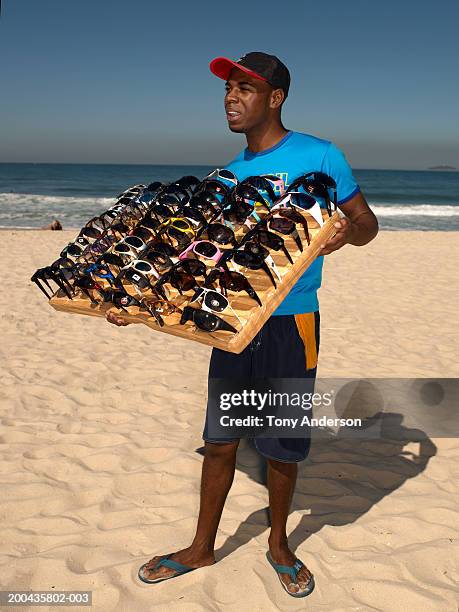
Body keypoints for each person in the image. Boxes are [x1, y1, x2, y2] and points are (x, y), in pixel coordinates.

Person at [107, 52, 379, 597]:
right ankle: (202, 546)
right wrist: (136, 305)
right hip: (230, 324)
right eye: (228, 89)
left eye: (245, 89)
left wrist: (345, 235)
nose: (231, 98)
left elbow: (366, 222)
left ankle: (279, 545)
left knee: (281, 445)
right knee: (221, 440)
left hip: (291, 323)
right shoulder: (227, 176)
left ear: (275, 98)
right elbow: (198, 263)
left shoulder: (321, 156)